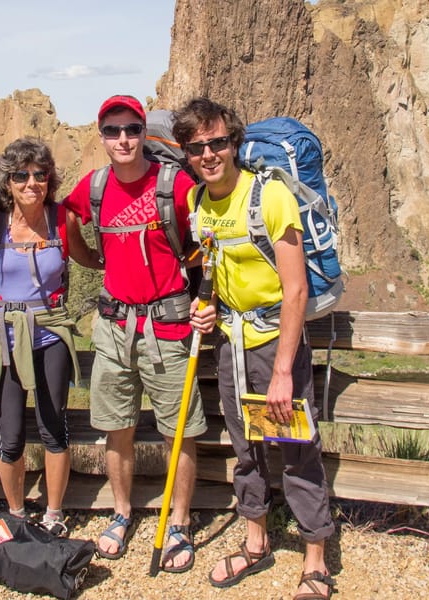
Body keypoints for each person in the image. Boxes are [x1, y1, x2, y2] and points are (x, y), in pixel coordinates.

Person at [172, 97, 336, 599]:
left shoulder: (269, 195)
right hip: (232, 346)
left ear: (234, 143)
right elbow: (215, 271)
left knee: (295, 449)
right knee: (246, 449)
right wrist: (208, 308)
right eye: (196, 147)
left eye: (218, 142)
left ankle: (316, 560)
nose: (208, 154)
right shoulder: (198, 202)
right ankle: (256, 541)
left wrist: (284, 371)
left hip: (273, 347)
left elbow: (296, 290)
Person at [64, 95, 213, 573]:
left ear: (144, 132)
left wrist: (205, 295)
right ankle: (122, 512)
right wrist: (91, 259)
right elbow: (68, 221)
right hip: (114, 326)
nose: (123, 139)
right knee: (117, 427)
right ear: (102, 136)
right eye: (113, 131)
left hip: (168, 325)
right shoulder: (95, 185)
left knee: (178, 431)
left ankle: (179, 522)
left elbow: (207, 240)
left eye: (131, 129)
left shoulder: (174, 183)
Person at [0, 137, 82, 536]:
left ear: (50, 179)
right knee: (10, 436)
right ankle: (17, 513)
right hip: (4, 337)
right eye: (21, 175)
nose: (31, 183)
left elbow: (90, 257)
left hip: (50, 334)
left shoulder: (61, 219)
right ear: (8, 181)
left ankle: (54, 514)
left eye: (40, 175)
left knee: (54, 428)